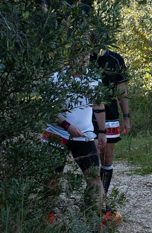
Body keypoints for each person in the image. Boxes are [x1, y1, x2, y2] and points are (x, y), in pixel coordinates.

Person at [41, 65, 106, 212]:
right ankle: (48, 215)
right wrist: (67, 126)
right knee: (52, 178)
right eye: (79, 55)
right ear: (71, 56)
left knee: (94, 177)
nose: (83, 60)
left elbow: (98, 105)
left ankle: (98, 215)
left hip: (84, 135)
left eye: (86, 56)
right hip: (56, 133)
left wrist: (102, 131)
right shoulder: (56, 78)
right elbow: (49, 109)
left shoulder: (93, 78)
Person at [92, 46, 131, 200]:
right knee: (93, 158)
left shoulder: (116, 59)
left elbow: (122, 89)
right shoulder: (82, 57)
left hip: (110, 113)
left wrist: (126, 117)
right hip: (88, 113)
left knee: (107, 157)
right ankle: (93, 197)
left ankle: (102, 199)